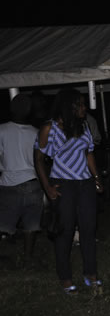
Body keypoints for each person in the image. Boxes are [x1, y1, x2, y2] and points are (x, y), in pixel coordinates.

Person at [34, 89, 103, 294]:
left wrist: (97, 178)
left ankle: (90, 273)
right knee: (64, 231)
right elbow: (38, 159)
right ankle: (65, 277)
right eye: (80, 105)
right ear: (68, 106)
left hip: (85, 183)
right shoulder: (50, 128)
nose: (84, 108)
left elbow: (89, 153)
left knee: (88, 230)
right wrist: (47, 187)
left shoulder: (84, 126)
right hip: (63, 183)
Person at [0, 94, 43, 261]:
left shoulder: (2, 129)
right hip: (32, 182)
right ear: (29, 110)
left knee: (3, 222)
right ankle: (28, 257)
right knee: (31, 224)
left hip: (9, 183)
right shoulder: (36, 132)